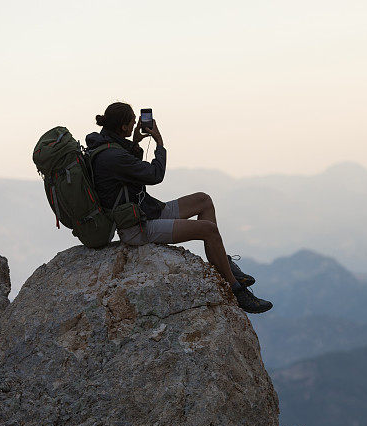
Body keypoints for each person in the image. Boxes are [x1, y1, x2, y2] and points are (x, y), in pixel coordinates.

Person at [85, 101, 273, 314]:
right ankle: (236, 289)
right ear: (123, 127)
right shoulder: (113, 155)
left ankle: (224, 264)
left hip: (147, 210)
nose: (134, 127)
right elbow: (155, 175)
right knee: (208, 230)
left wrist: (135, 144)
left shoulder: (107, 146)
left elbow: (128, 173)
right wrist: (159, 143)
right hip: (137, 227)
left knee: (204, 200)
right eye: (131, 124)